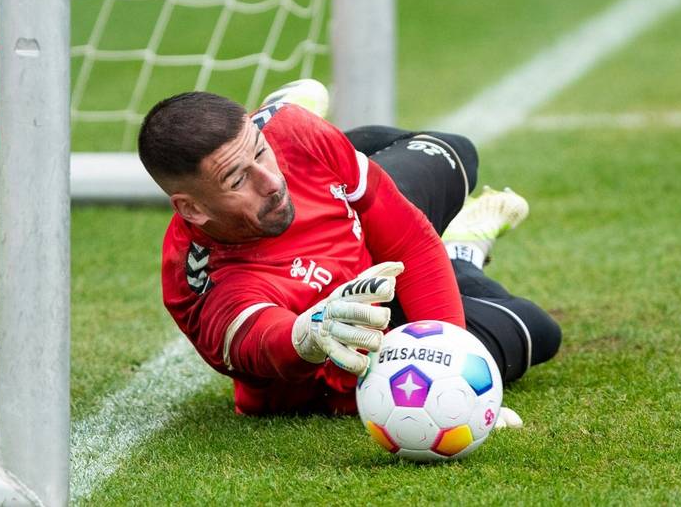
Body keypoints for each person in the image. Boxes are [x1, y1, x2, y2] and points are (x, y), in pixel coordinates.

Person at [136, 81, 561, 418]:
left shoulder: (289, 136)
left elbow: (408, 239)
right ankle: (462, 252)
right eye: (236, 180)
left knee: (453, 153)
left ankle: (306, 127)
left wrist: (451, 361)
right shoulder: (207, 281)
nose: (269, 181)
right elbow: (265, 340)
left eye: (260, 154)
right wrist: (309, 333)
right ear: (191, 208)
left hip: (363, 245)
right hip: (353, 343)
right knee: (535, 329)